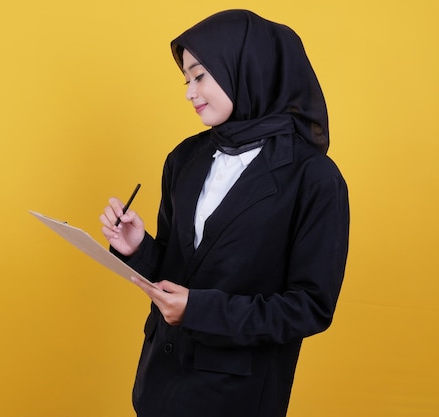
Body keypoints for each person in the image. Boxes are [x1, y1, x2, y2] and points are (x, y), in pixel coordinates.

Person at [100, 9, 349, 417]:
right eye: (186, 79)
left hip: (236, 399)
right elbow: (180, 273)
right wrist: (136, 248)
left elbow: (310, 307)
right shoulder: (184, 159)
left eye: (200, 76)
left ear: (245, 68)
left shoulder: (314, 178)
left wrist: (199, 311)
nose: (189, 92)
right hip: (157, 388)